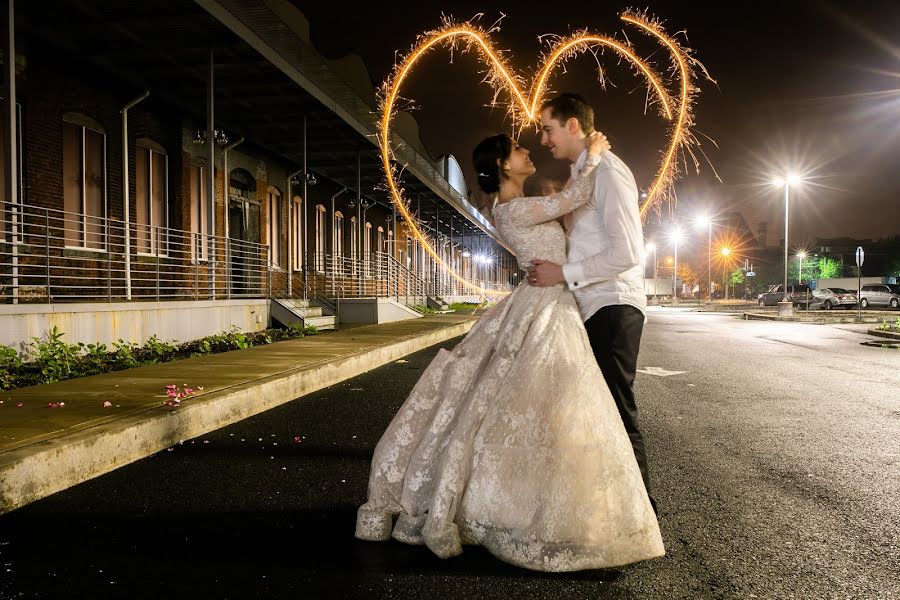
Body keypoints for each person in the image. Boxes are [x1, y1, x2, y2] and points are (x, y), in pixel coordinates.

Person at [355, 131, 663, 572]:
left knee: (549, 407)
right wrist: (592, 154)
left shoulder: (520, 205)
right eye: (518, 151)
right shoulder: (512, 209)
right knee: (547, 402)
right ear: (502, 165)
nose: (527, 152)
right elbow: (572, 199)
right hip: (544, 307)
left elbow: (569, 208)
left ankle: (549, 499)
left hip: (554, 304)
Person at [528, 93, 655, 512]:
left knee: (617, 412)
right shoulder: (585, 174)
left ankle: (642, 515)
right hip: (591, 307)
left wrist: (562, 274)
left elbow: (627, 253)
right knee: (596, 415)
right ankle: (608, 514)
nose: (542, 139)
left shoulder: (609, 174)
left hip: (613, 305)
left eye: (547, 128)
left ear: (573, 126)